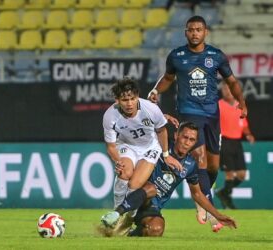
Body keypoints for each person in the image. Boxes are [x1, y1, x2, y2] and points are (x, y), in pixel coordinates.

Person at [147, 15, 247, 228]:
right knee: (199, 156)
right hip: (188, 113)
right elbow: (167, 78)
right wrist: (156, 90)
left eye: (198, 30)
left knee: (213, 166)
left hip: (212, 115)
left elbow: (232, 81)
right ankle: (210, 210)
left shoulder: (216, 56)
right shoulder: (177, 56)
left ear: (205, 32)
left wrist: (242, 103)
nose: (194, 33)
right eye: (191, 30)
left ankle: (201, 196)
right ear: (186, 32)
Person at [101, 121, 237, 237]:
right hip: (138, 193)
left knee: (156, 230)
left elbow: (197, 194)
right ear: (176, 135)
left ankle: (129, 234)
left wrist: (217, 215)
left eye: (192, 140)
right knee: (151, 189)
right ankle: (117, 214)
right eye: (185, 137)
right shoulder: (159, 147)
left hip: (153, 206)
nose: (187, 143)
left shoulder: (190, 165)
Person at [103, 77, 182, 219]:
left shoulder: (150, 109)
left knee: (134, 185)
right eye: (124, 100)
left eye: (132, 99)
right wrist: (117, 161)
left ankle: (128, 219)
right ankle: (116, 214)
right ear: (117, 100)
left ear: (137, 96)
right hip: (127, 145)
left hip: (150, 148)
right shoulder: (110, 115)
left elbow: (162, 131)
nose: (129, 104)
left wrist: (165, 154)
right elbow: (110, 146)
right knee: (124, 174)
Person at [216, 83, 255, 209]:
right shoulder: (219, 105)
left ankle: (223, 193)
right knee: (230, 174)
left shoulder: (240, 105)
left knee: (242, 175)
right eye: (224, 89)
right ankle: (226, 198)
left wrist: (248, 134)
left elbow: (243, 123)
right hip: (225, 141)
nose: (226, 91)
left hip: (237, 142)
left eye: (228, 89)